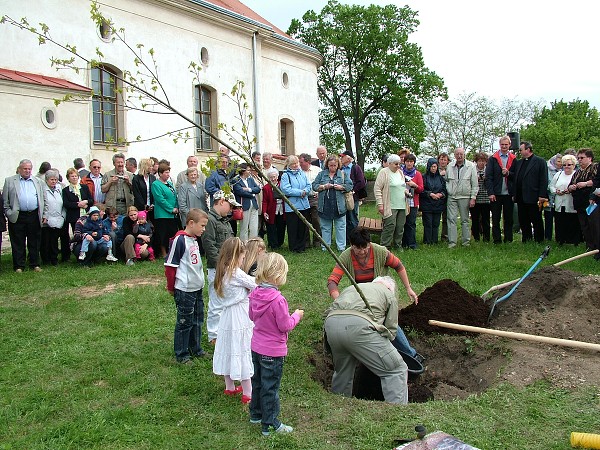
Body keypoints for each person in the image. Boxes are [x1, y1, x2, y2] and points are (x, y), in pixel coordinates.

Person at [327, 227, 422, 361]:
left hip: (382, 295)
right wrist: (338, 301)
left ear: (369, 243)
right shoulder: (346, 256)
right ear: (351, 245)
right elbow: (332, 281)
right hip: (362, 297)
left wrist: (408, 288)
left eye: (365, 247)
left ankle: (411, 355)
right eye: (357, 248)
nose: (362, 251)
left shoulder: (380, 252)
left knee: (388, 324)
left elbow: (398, 266)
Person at [325, 277, 408, 404]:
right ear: (390, 289)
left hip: (331, 324)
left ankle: (339, 408)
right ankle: (397, 411)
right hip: (359, 327)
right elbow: (391, 330)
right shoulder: (388, 295)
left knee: (342, 372)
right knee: (396, 369)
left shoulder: (351, 288)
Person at [248, 252, 303, 436]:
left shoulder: (255, 293)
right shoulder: (278, 300)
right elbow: (284, 325)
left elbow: (251, 316)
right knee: (270, 387)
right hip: (273, 352)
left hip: (256, 347)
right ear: (277, 275)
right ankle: (270, 424)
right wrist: (297, 316)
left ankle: (255, 414)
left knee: (257, 383)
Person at [212, 237, 257, 404]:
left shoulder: (222, 271)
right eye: (243, 257)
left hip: (227, 316)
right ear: (236, 256)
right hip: (240, 315)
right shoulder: (236, 273)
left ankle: (229, 386)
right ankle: (248, 392)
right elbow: (255, 284)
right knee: (242, 347)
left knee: (229, 347)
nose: (243, 260)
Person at [165, 208, 209, 364]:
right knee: (184, 322)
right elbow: (171, 266)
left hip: (197, 288)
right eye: (202, 225)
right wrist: (171, 287)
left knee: (197, 320)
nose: (204, 229)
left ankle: (195, 348)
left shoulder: (194, 239)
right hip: (185, 289)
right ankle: (182, 354)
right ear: (191, 223)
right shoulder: (179, 240)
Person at [201, 190, 240, 343]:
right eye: (230, 206)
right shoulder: (210, 220)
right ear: (221, 201)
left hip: (228, 267)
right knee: (216, 301)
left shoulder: (224, 220)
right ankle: (214, 335)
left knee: (226, 300)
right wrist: (221, 266)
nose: (231, 209)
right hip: (217, 268)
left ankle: (224, 330)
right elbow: (209, 246)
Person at [3, 159, 46, 273]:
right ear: (19, 169)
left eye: (29, 169)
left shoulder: (38, 181)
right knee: (18, 242)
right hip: (18, 216)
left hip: (34, 215)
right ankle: (19, 266)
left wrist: (44, 214)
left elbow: (43, 199)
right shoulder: (10, 181)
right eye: (25, 169)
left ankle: (34, 264)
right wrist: (9, 213)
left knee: (34, 241)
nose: (27, 171)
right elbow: (5, 201)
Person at [312, 155, 352, 251]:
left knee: (341, 227)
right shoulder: (322, 174)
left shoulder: (342, 174)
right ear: (327, 165)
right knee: (325, 227)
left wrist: (341, 187)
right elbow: (314, 186)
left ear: (338, 164)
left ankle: (341, 247)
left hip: (339, 206)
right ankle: (326, 247)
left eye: (335, 165)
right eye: (331, 165)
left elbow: (350, 185)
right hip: (325, 205)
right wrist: (324, 186)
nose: (333, 167)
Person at [510, 141, 548, 243]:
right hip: (521, 196)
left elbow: (543, 179)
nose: (520, 152)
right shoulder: (519, 162)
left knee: (536, 219)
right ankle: (526, 239)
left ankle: (539, 239)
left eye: (521, 150)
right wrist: (514, 194)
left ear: (528, 149)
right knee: (523, 219)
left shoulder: (540, 162)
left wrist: (542, 195)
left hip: (534, 196)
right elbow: (515, 179)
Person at [445, 147, 478, 248]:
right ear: (454, 155)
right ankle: (452, 243)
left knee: (465, 220)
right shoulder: (449, 166)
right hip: (452, 196)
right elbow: (446, 180)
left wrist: (473, 197)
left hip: (465, 196)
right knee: (451, 219)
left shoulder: (471, 166)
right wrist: (449, 190)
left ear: (464, 155)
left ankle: (466, 242)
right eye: (457, 154)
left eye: (461, 154)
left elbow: (475, 183)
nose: (459, 156)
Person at [485, 136, 516, 244]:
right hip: (496, 194)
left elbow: (516, 176)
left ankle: (508, 239)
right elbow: (488, 177)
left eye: (506, 145)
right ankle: (497, 239)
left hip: (508, 193)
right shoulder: (493, 158)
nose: (504, 146)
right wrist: (491, 192)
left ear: (509, 145)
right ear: (499, 145)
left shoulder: (513, 158)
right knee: (495, 218)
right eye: (502, 144)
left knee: (508, 218)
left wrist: (508, 173)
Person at [373, 154, 408, 249]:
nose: (398, 166)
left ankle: (398, 245)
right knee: (390, 226)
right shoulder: (384, 172)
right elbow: (377, 189)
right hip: (390, 205)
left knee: (400, 227)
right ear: (390, 163)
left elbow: (402, 186)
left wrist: (406, 192)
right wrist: (380, 204)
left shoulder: (400, 173)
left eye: (399, 164)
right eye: (396, 164)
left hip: (401, 204)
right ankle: (385, 247)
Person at [280, 155, 312, 253]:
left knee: (303, 227)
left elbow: (308, 185)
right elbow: (286, 189)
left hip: (304, 204)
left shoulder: (302, 173)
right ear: (289, 165)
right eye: (293, 164)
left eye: (297, 163)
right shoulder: (286, 175)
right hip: (292, 206)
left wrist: (305, 191)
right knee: (293, 227)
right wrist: (300, 193)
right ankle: (294, 247)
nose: (295, 165)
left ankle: (302, 246)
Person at [568, 148, 598, 251]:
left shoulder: (594, 167)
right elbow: (570, 184)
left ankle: (595, 246)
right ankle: (589, 246)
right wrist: (571, 187)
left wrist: (585, 183)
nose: (579, 160)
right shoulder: (577, 172)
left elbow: (596, 182)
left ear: (589, 158)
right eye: (578, 158)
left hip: (590, 200)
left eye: (582, 158)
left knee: (593, 225)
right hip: (579, 201)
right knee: (584, 225)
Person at [151, 162, 180, 257]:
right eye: (166, 172)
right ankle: (163, 252)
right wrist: (171, 209)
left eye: (168, 172)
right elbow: (160, 199)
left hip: (172, 214)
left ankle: (172, 251)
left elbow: (174, 196)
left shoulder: (170, 183)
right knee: (162, 234)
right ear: (160, 173)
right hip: (162, 214)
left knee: (172, 233)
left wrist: (176, 207)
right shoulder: (156, 184)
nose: (168, 174)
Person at [550, 154, 580, 245]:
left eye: (569, 164)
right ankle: (560, 240)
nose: (566, 167)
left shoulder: (577, 174)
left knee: (572, 222)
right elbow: (551, 186)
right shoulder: (558, 174)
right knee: (560, 222)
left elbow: (579, 187)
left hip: (571, 202)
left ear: (574, 165)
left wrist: (570, 190)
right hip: (559, 202)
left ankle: (572, 241)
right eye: (564, 165)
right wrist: (556, 191)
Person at [339, 150, 367, 240]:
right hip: (342, 197)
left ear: (348, 158)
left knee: (353, 217)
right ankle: (347, 239)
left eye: (342, 157)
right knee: (345, 218)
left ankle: (357, 238)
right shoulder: (340, 169)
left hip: (352, 197)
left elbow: (361, 182)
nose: (341, 158)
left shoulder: (355, 168)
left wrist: (353, 191)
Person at [41, 170, 66, 266]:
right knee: (46, 241)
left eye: (55, 179)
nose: (54, 181)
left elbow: (62, 203)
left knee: (54, 241)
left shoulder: (59, 189)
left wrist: (62, 216)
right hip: (46, 219)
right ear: (47, 180)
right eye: (52, 179)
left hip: (58, 219)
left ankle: (54, 259)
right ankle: (46, 260)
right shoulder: (43, 189)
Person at [419, 158, 446, 244]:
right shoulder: (424, 177)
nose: (434, 168)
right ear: (428, 167)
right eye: (432, 166)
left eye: (435, 166)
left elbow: (445, 190)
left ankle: (434, 241)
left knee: (436, 223)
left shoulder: (441, 178)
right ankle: (427, 241)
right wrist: (430, 194)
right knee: (428, 223)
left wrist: (440, 194)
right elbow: (421, 190)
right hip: (427, 204)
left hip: (438, 204)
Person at [232, 162, 261, 241]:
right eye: (248, 170)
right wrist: (252, 194)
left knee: (254, 227)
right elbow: (240, 191)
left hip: (254, 205)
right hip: (244, 206)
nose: (250, 172)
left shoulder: (251, 179)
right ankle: (243, 245)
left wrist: (248, 189)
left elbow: (258, 189)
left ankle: (253, 244)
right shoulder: (236, 180)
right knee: (244, 227)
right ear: (243, 171)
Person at [401, 154, 424, 250]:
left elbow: (421, 189)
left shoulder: (417, 174)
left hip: (413, 203)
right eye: (407, 161)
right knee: (402, 223)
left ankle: (412, 244)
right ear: (404, 162)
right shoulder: (400, 172)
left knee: (411, 223)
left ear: (414, 163)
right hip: (401, 201)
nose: (409, 163)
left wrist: (414, 185)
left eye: (411, 161)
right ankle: (403, 243)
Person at [299, 153, 322, 248]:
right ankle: (306, 242)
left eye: (301, 162)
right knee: (305, 220)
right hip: (303, 199)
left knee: (316, 220)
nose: (300, 164)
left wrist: (320, 192)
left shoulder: (317, 170)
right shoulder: (298, 171)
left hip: (315, 198)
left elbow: (323, 182)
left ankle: (317, 241)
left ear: (308, 162)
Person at [262, 168, 286, 250]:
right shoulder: (266, 188)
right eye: (271, 177)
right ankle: (273, 244)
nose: (273, 179)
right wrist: (264, 212)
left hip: (282, 209)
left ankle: (279, 243)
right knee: (271, 227)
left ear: (277, 176)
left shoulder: (282, 185)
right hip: (271, 210)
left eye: (274, 176)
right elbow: (264, 201)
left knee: (281, 226)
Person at [470, 153, 491, 242]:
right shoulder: (472, 170)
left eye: (483, 161)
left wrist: (486, 179)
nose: (481, 163)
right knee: (475, 219)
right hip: (475, 198)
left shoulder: (489, 170)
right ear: (476, 161)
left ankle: (486, 238)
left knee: (486, 219)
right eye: (479, 161)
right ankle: (476, 237)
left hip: (486, 198)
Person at [545, 153, 563, 241]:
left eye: (561, 161)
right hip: (548, 197)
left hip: (560, 197)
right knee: (548, 217)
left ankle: (558, 237)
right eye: (558, 161)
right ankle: (547, 237)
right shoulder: (547, 169)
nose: (560, 163)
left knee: (559, 218)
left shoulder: (563, 171)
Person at [437, 152, 450, 241]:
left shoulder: (450, 170)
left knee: (446, 217)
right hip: (437, 196)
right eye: (441, 159)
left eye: (445, 160)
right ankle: (434, 236)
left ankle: (445, 236)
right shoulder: (434, 169)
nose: (443, 161)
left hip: (447, 196)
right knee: (437, 218)